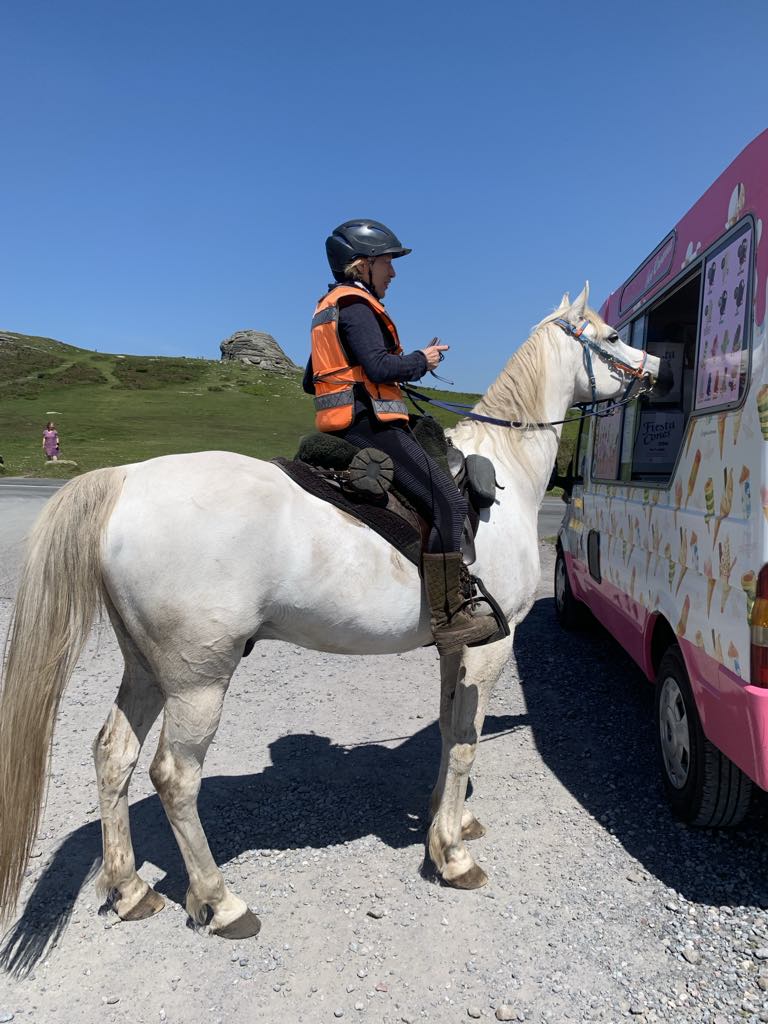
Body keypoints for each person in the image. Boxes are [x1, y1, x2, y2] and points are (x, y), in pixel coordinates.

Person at [304, 219, 497, 655]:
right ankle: (451, 617)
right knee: (449, 500)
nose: (393, 272)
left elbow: (310, 379)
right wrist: (420, 361)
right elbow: (378, 367)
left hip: (347, 421)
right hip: (369, 424)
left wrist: (359, 378)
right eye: (388, 262)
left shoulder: (328, 309)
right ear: (363, 264)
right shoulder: (356, 306)